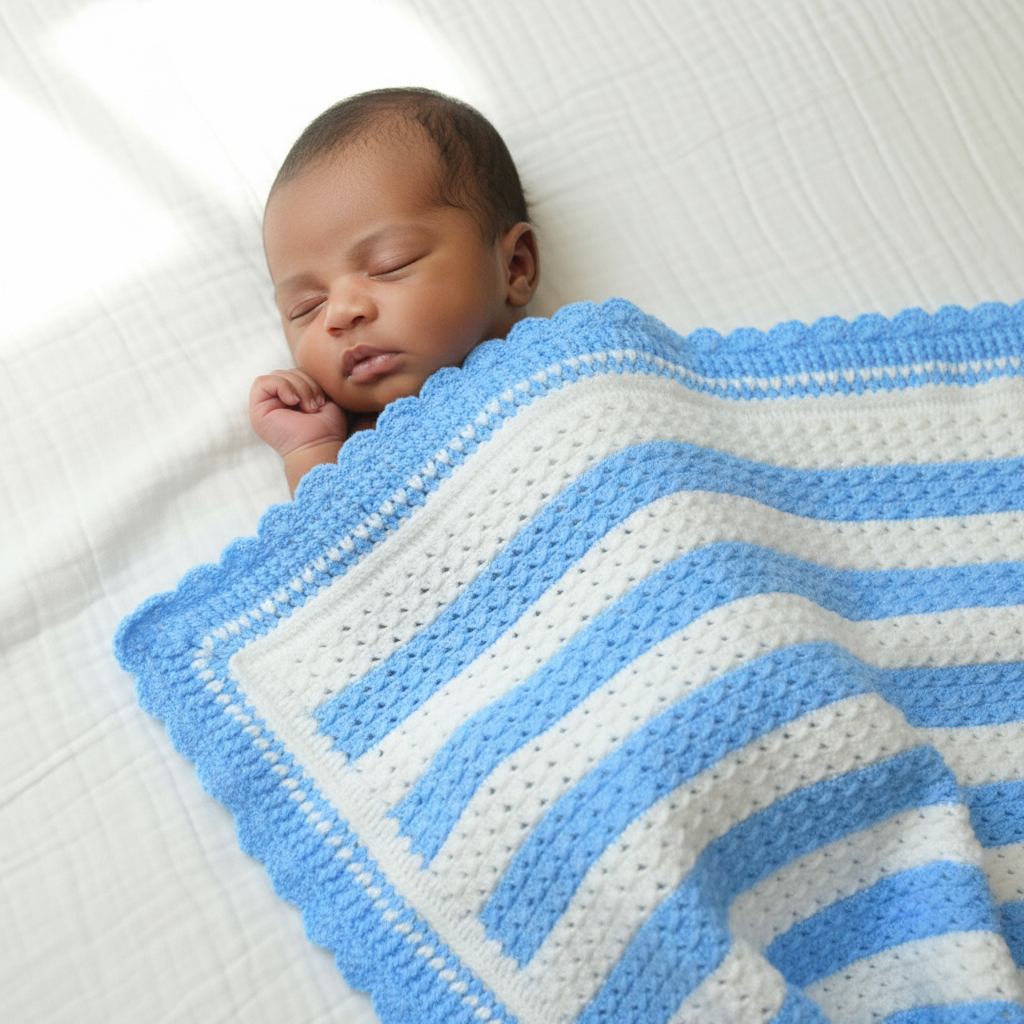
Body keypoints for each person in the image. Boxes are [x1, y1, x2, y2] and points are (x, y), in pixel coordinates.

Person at [250, 87, 540, 496]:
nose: (340, 313)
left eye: (391, 265)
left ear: (515, 267)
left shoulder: (577, 359)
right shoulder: (358, 451)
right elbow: (342, 548)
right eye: (306, 307)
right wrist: (311, 449)